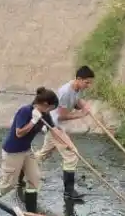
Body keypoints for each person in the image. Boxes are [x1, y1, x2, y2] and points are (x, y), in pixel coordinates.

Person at [0, 87, 76, 216]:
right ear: (46, 104)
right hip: (13, 151)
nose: (51, 111)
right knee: (9, 184)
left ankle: (32, 214)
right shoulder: (25, 111)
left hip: (27, 150)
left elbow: (53, 129)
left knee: (34, 179)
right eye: (51, 108)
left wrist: (67, 144)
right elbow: (19, 133)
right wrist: (33, 121)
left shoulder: (45, 114)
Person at [34, 65, 95, 204]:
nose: (89, 85)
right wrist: (81, 115)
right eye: (87, 82)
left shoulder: (76, 88)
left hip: (53, 126)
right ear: (79, 79)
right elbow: (62, 116)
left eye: (90, 82)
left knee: (44, 153)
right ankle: (69, 192)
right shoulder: (66, 92)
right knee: (72, 155)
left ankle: (25, 165)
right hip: (55, 126)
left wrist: (83, 105)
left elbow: (76, 101)